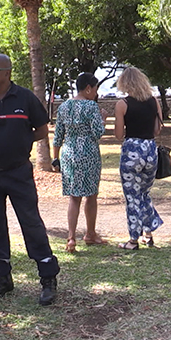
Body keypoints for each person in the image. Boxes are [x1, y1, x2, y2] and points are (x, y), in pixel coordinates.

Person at [0, 53, 60, 306]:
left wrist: (19, 141)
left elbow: (41, 129)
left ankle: (48, 279)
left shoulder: (26, 98)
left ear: (7, 73)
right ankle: (2, 280)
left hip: (19, 172)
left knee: (31, 223)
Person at [52, 72, 107, 253]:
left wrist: (55, 158)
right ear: (88, 88)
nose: (96, 93)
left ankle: (71, 238)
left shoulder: (64, 107)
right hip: (88, 152)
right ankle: (90, 234)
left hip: (69, 153)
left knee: (74, 197)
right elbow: (98, 132)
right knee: (91, 195)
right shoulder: (91, 107)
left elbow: (58, 135)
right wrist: (103, 119)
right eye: (96, 89)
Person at [113, 66, 163, 250]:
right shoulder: (153, 101)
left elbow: (119, 135)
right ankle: (148, 234)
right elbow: (157, 130)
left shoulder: (122, 104)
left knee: (132, 196)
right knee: (144, 193)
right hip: (150, 149)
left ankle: (133, 239)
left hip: (131, 151)